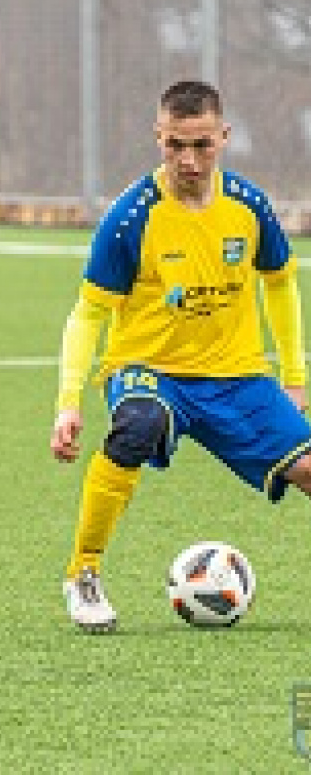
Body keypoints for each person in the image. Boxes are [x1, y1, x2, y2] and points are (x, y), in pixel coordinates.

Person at [51, 80, 311, 633]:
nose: (188, 161)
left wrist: (294, 378)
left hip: (237, 376)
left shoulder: (248, 205)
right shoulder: (131, 216)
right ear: (158, 138)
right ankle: (84, 572)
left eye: (201, 145)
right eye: (175, 146)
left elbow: (281, 284)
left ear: (224, 137)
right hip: (151, 372)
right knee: (137, 426)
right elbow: (88, 313)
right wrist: (68, 402)